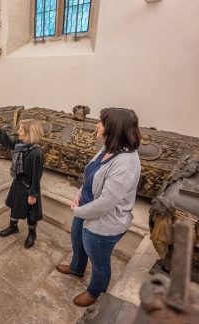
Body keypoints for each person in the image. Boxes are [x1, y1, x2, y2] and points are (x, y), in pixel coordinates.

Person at [56, 108, 141, 307]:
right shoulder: (109, 147)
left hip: (104, 222)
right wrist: (78, 196)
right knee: (78, 242)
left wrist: (78, 211)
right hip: (86, 208)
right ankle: (77, 268)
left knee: (99, 262)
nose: (97, 125)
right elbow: (90, 176)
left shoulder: (126, 163)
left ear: (113, 129)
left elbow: (106, 203)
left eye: (101, 123)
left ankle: (95, 292)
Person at [0, 118, 44, 248]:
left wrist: (33, 194)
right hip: (18, 182)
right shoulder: (20, 144)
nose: (18, 131)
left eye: (21, 130)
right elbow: (8, 142)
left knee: (31, 212)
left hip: (29, 187)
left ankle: (32, 234)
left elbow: (37, 176)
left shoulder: (36, 153)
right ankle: (13, 227)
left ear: (29, 133)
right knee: (15, 206)